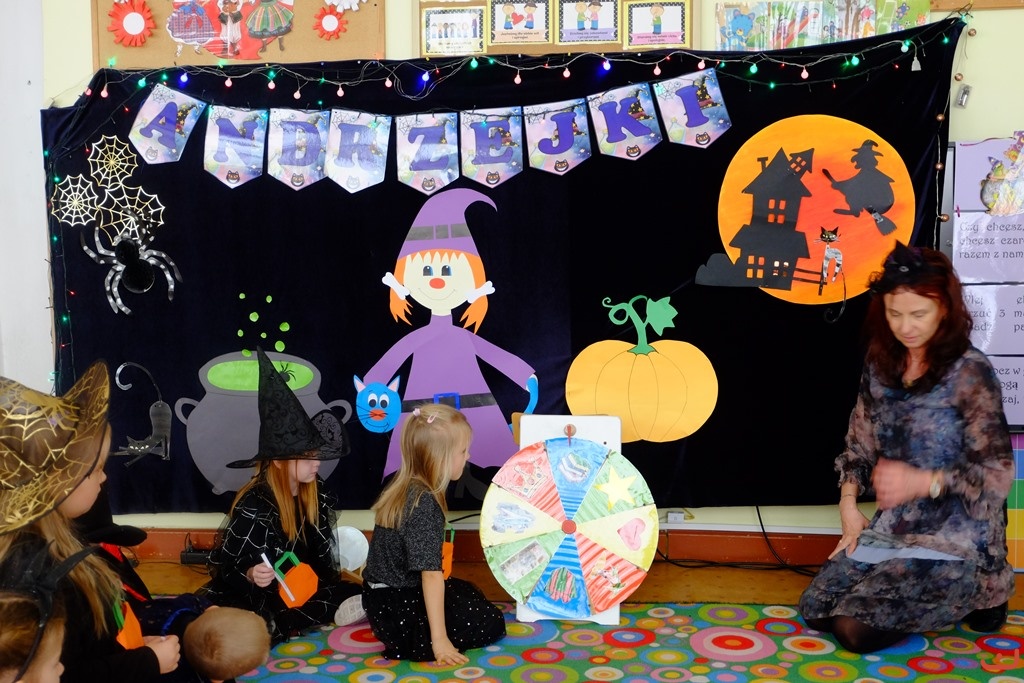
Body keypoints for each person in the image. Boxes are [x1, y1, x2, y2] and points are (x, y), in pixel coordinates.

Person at [798, 243, 1015, 653]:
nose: (905, 326)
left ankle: (985, 588)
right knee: (817, 609)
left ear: (944, 309)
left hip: (959, 534)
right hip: (896, 526)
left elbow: (997, 475)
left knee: (852, 630)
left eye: (918, 314)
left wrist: (923, 481)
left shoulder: (970, 371)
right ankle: (917, 584)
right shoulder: (881, 364)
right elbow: (858, 444)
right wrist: (848, 507)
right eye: (894, 314)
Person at [0, 361, 181, 682]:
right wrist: (146, 662)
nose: (104, 478)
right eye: (94, 470)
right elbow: (69, 673)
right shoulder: (45, 580)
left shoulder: (58, 544)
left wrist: (134, 651)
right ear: (57, 485)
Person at [200, 347, 363, 643]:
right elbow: (228, 567)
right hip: (265, 593)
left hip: (300, 586)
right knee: (259, 612)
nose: (317, 463)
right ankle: (276, 622)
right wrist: (252, 573)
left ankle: (295, 617)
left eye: (317, 455)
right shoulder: (255, 504)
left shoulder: (314, 492)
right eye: (307, 457)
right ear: (278, 461)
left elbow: (322, 560)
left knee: (350, 591)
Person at [361, 403, 506, 663]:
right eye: (463, 451)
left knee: (465, 593)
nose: (468, 456)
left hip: (379, 601)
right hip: (400, 612)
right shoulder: (424, 502)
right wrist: (439, 641)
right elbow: (430, 575)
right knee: (490, 621)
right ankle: (427, 636)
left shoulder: (402, 487)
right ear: (441, 459)